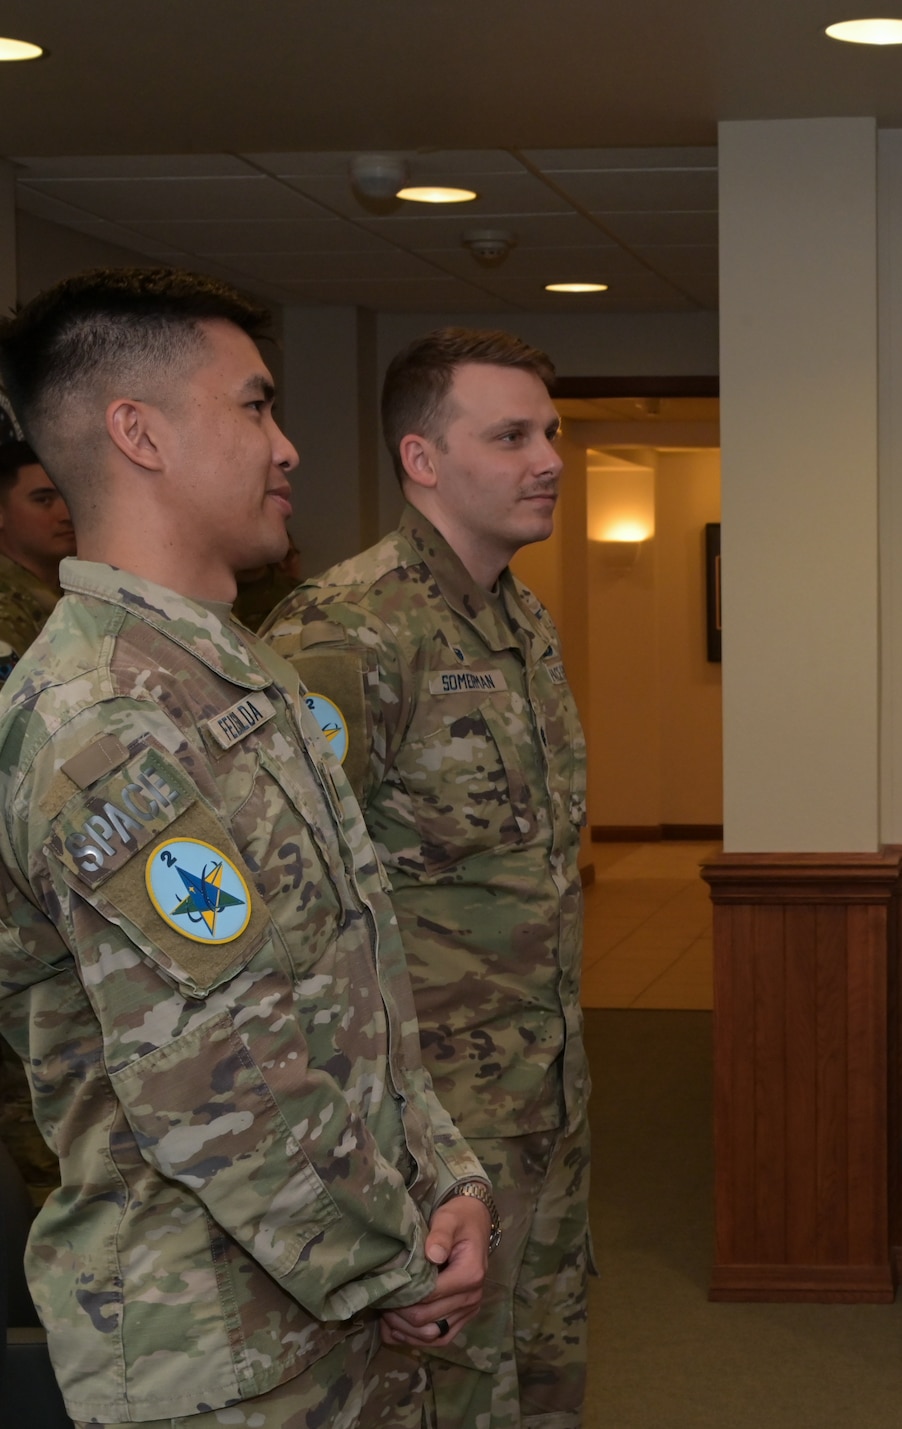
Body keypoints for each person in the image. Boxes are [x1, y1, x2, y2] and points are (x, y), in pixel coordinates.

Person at [0, 268, 497, 1429]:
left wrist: (445, 1180)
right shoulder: (101, 721)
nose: (288, 446)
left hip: (330, 1294)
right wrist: (394, 1261)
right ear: (139, 433)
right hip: (219, 1347)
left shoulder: (232, 672)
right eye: (254, 406)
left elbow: (346, 986)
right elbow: (213, 1080)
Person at [263, 327, 590, 1429]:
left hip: (538, 1091)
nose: (547, 457)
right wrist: (364, 1167)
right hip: (427, 1123)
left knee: (541, 1365)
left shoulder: (521, 621)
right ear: (422, 457)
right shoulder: (345, 631)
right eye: (510, 435)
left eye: (549, 430)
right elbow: (297, 915)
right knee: (436, 1394)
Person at [0, 438, 75, 1202]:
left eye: (64, 496)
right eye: (39, 499)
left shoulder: (64, 606)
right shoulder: (7, 613)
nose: (61, 512)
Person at [0, 439, 76, 677]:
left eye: (68, 496)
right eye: (43, 500)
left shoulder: (74, 592)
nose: (67, 514)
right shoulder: (6, 608)